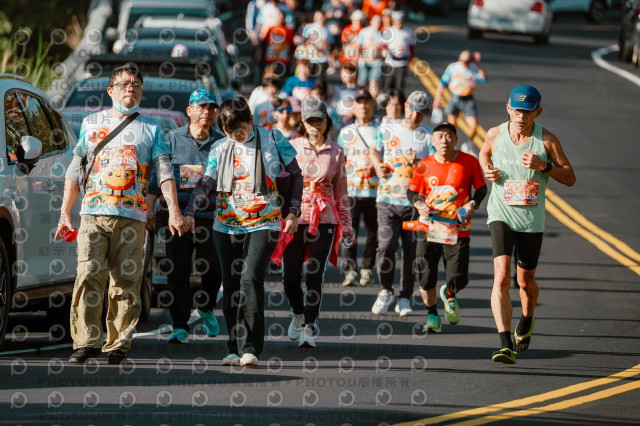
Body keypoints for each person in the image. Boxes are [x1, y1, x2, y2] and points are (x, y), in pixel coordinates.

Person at [56, 64, 188, 364]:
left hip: (132, 216)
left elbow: (165, 174)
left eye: (136, 84)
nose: (131, 87)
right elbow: (75, 170)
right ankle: (86, 341)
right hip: (93, 213)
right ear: (110, 90)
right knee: (88, 273)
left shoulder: (152, 129)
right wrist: (64, 212)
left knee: (126, 280)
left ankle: (118, 344)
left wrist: (174, 211)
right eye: (125, 83)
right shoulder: (91, 123)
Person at [184, 96, 303, 367]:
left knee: (250, 279)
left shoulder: (273, 138)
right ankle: (233, 347)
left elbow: (296, 175)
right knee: (232, 284)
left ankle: (250, 348)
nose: (235, 135)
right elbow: (206, 182)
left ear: (250, 120)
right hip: (225, 224)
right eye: (228, 131)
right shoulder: (220, 147)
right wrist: (190, 211)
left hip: (265, 221)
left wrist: (294, 211)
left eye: (239, 128)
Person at [479, 85, 575, 364]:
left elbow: (570, 178)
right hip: (501, 213)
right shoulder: (495, 134)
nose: (521, 116)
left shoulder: (547, 141)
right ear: (508, 109)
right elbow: (484, 152)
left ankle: (527, 318)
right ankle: (504, 342)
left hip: (531, 220)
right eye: (517, 110)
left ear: (538, 112)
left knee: (525, 282)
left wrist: (544, 166)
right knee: (501, 276)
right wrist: (487, 168)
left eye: (528, 112)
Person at [272, 97, 354, 348]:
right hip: (295, 217)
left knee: (315, 274)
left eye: (319, 120)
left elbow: (341, 192)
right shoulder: (291, 146)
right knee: (290, 276)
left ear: (327, 122)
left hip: (325, 217)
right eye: (310, 121)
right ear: (303, 123)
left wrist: (347, 225)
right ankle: (297, 313)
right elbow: (281, 183)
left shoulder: (337, 151)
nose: (315, 125)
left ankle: (309, 325)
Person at [147, 89, 224, 344]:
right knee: (178, 270)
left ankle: (206, 305)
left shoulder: (222, 143)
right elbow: (156, 178)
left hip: (210, 216)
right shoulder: (171, 140)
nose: (207, 112)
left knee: (214, 268)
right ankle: (180, 325)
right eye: (202, 107)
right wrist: (150, 209)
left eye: (211, 108)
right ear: (189, 111)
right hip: (176, 215)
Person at [407, 122, 487, 333]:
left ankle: (449, 293)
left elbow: (481, 189)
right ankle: (432, 315)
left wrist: (473, 204)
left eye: (449, 136)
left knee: (459, 277)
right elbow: (412, 192)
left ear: (456, 139)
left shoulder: (469, 162)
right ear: (433, 141)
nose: (444, 140)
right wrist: (419, 204)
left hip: (457, 229)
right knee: (425, 277)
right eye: (440, 136)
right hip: (428, 228)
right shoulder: (424, 165)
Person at [369, 90, 435, 316]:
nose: (415, 116)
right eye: (413, 111)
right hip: (387, 200)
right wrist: (377, 165)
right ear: (406, 106)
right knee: (386, 246)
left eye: (421, 113)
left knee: (411, 252)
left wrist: (420, 167)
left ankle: (405, 296)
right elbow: (374, 149)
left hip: (415, 204)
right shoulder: (388, 129)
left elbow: (435, 167)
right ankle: (385, 290)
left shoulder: (429, 135)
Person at [336, 88, 379, 287]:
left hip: (375, 190)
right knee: (349, 231)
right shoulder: (346, 132)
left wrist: (376, 166)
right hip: (351, 190)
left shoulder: (381, 130)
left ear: (372, 105)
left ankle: (367, 269)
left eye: (366, 103)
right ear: (354, 107)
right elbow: (339, 161)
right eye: (359, 103)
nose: (363, 107)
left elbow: (388, 156)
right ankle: (350, 271)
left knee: (374, 232)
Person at [432, 50, 487, 143]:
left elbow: (484, 79)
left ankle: (468, 144)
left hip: (468, 99)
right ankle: (452, 145)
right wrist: (437, 99)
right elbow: (442, 83)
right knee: (452, 126)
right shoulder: (453, 67)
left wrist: (477, 65)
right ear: (459, 59)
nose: (466, 64)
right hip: (455, 99)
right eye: (464, 61)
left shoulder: (473, 68)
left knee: (474, 125)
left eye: (468, 62)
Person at [381, 10, 414, 92]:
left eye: (401, 22)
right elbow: (383, 45)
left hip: (402, 62)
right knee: (388, 85)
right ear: (393, 22)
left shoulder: (408, 31)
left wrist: (411, 57)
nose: (399, 24)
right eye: (397, 22)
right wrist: (384, 54)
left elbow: (412, 45)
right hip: (390, 62)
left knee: (400, 86)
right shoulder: (389, 31)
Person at [355, 14, 383, 98]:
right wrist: (357, 57)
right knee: (361, 82)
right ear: (371, 21)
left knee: (374, 83)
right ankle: (360, 98)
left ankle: (371, 100)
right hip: (364, 61)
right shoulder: (364, 31)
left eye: (379, 22)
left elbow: (383, 49)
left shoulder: (381, 34)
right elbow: (358, 45)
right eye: (376, 21)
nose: (377, 23)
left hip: (376, 62)